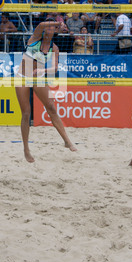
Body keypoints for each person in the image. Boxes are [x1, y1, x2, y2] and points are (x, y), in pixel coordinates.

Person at [15, 17, 77, 163]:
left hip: (38, 77)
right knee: (26, 113)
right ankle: (26, 149)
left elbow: (55, 68)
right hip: (23, 76)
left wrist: (43, 71)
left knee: (51, 108)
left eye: (52, 28)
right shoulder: (35, 37)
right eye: (48, 26)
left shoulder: (54, 48)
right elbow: (42, 24)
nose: (49, 29)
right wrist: (58, 23)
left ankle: (67, 141)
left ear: (55, 31)